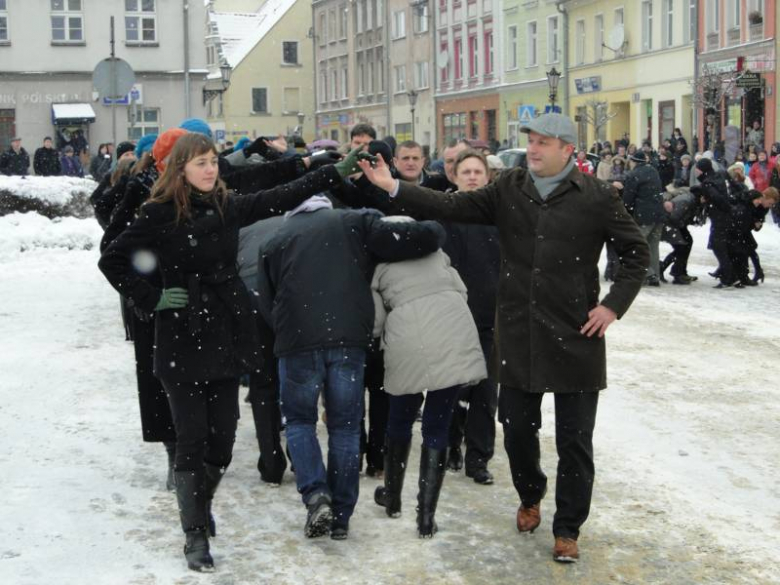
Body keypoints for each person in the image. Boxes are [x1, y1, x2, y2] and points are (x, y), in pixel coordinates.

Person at [358, 113, 650, 563]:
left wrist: (612, 305)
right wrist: (394, 187)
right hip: (518, 331)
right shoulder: (511, 187)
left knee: (575, 440)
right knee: (515, 430)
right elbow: (452, 206)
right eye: (531, 141)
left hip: (576, 334)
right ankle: (531, 493)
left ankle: (568, 528)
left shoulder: (595, 196)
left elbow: (636, 252)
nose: (533, 149)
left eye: (543, 142)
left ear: (567, 149)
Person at [98, 133, 357, 572]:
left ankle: (199, 502)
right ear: (180, 168)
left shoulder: (226, 206)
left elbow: (279, 196)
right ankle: (195, 534)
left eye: (213, 161)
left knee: (222, 443)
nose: (210, 169)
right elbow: (112, 259)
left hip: (225, 330)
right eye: (200, 163)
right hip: (181, 334)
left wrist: (330, 172)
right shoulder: (158, 212)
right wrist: (152, 297)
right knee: (191, 437)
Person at [257, 199, 444, 542]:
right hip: (348, 339)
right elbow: (414, 238)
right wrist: (435, 229)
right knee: (345, 427)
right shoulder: (354, 222)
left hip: (297, 341)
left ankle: (316, 495)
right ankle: (341, 515)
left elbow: (265, 299)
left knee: (299, 422)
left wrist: (288, 328)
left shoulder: (275, 239)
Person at [371, 216, 487, 538]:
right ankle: (425, 518)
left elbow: (376, 322)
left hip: (407, 341)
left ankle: (392, 498)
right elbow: (462, 291)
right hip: (454, 334)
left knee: (399, 419)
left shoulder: (378, 267)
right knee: (437, 425)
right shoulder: (438, 255)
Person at [440, 150, 500, 485]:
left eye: (478, 171)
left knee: (486, 392)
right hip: (451, 317)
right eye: (467, 172)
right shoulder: (443, 214)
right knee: (450, 388)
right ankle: (451, 444)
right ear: (455, 176)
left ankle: (479, 458)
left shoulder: (499, 216)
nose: (473, 177)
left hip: (490, 317)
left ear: (488, 177)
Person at [691, 157, 739, 289]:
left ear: (702, 170)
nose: (696, 172)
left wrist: (709, 200)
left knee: (718, 246)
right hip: (727, 216)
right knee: (722, 245)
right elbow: (731, 190)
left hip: (720, 217)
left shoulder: (708, 183)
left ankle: (728, 277)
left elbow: (718, 198)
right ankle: (730, 274)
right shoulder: (719, 175)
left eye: (697, 169)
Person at [622, 152, 665, 286]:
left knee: (637, 245)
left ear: (633, 161)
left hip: (643, 215)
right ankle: (655, 275)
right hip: (658, 214)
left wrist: (624, 210)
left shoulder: (634, 174)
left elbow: (628, 197)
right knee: (653, 246)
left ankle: (648, 274)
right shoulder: (653, 171)